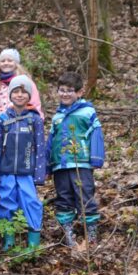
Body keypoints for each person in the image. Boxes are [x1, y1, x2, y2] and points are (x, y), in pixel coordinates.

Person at [47, 71, 105, 247]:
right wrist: (47, 165)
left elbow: (96, 133)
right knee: (63, 197)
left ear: (79, 92)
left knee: (84, 195)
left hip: (81, 162)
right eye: (61, 90)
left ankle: (91, 235)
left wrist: (96, 157)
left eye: (70, 90)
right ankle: (68, 233)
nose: (65, 94)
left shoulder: (87, 112)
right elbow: (51, 141)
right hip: (60, 165)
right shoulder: (56, 117)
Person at [0, 75, 47, 250]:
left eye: (24, 92)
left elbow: (40, 148)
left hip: (27, 173)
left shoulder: (34, 120)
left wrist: (39, 174)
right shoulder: (2, 119)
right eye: (15, 92)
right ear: (10, 95)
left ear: (29, 96)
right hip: (6, 171)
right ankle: (9, 239)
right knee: (6, 202)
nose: (19, 95)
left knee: (31, 202)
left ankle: (33, 242)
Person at [0, 48, 44, 131]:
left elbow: (35, 103)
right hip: (0, 126)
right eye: (3, 61)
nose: (6, 63)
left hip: (22, 125)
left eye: (10, 60)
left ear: (16, 63)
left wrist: (37, 121)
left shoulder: (25, 82)